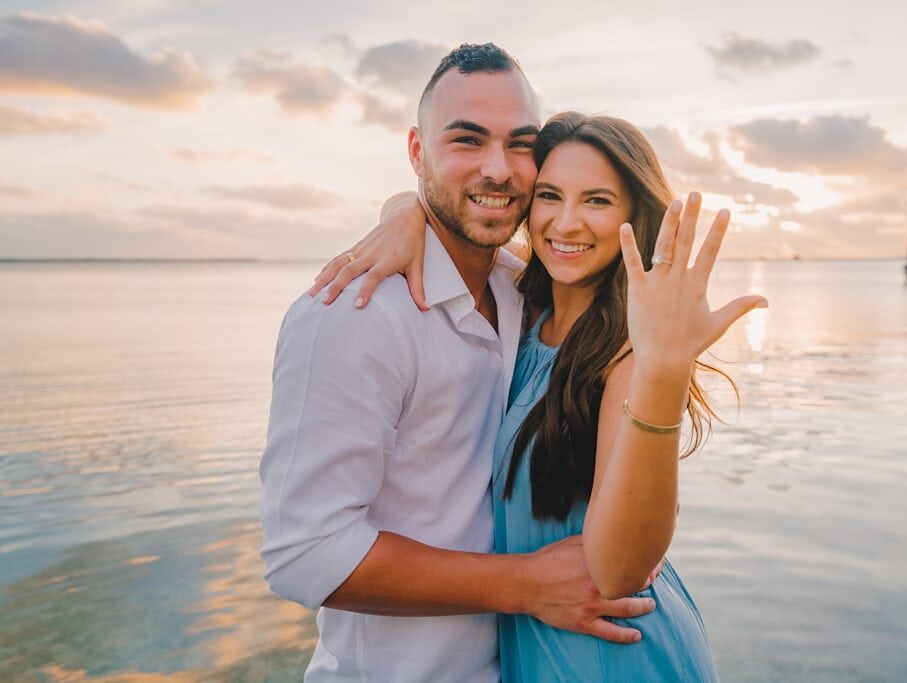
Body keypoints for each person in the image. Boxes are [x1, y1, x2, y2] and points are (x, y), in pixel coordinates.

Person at [312, 112, 768, 680]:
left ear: (635, 216)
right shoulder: (520, 308)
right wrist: (404, 214)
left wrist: (666, 372)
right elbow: (439, 210)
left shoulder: (630, 355)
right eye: (550, 195)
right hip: (536, 640)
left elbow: (620, 569)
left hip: (613, 650)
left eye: (598, 201)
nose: (567, 223)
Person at [259, 44, 658, 683]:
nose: (498, 170)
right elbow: (305, 555)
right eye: (467, 140)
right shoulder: (351, 316)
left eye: (520, 144)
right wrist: (525, 585)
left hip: (533, 662)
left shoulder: (522, 290)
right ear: (417, 151)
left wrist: (404, 209)